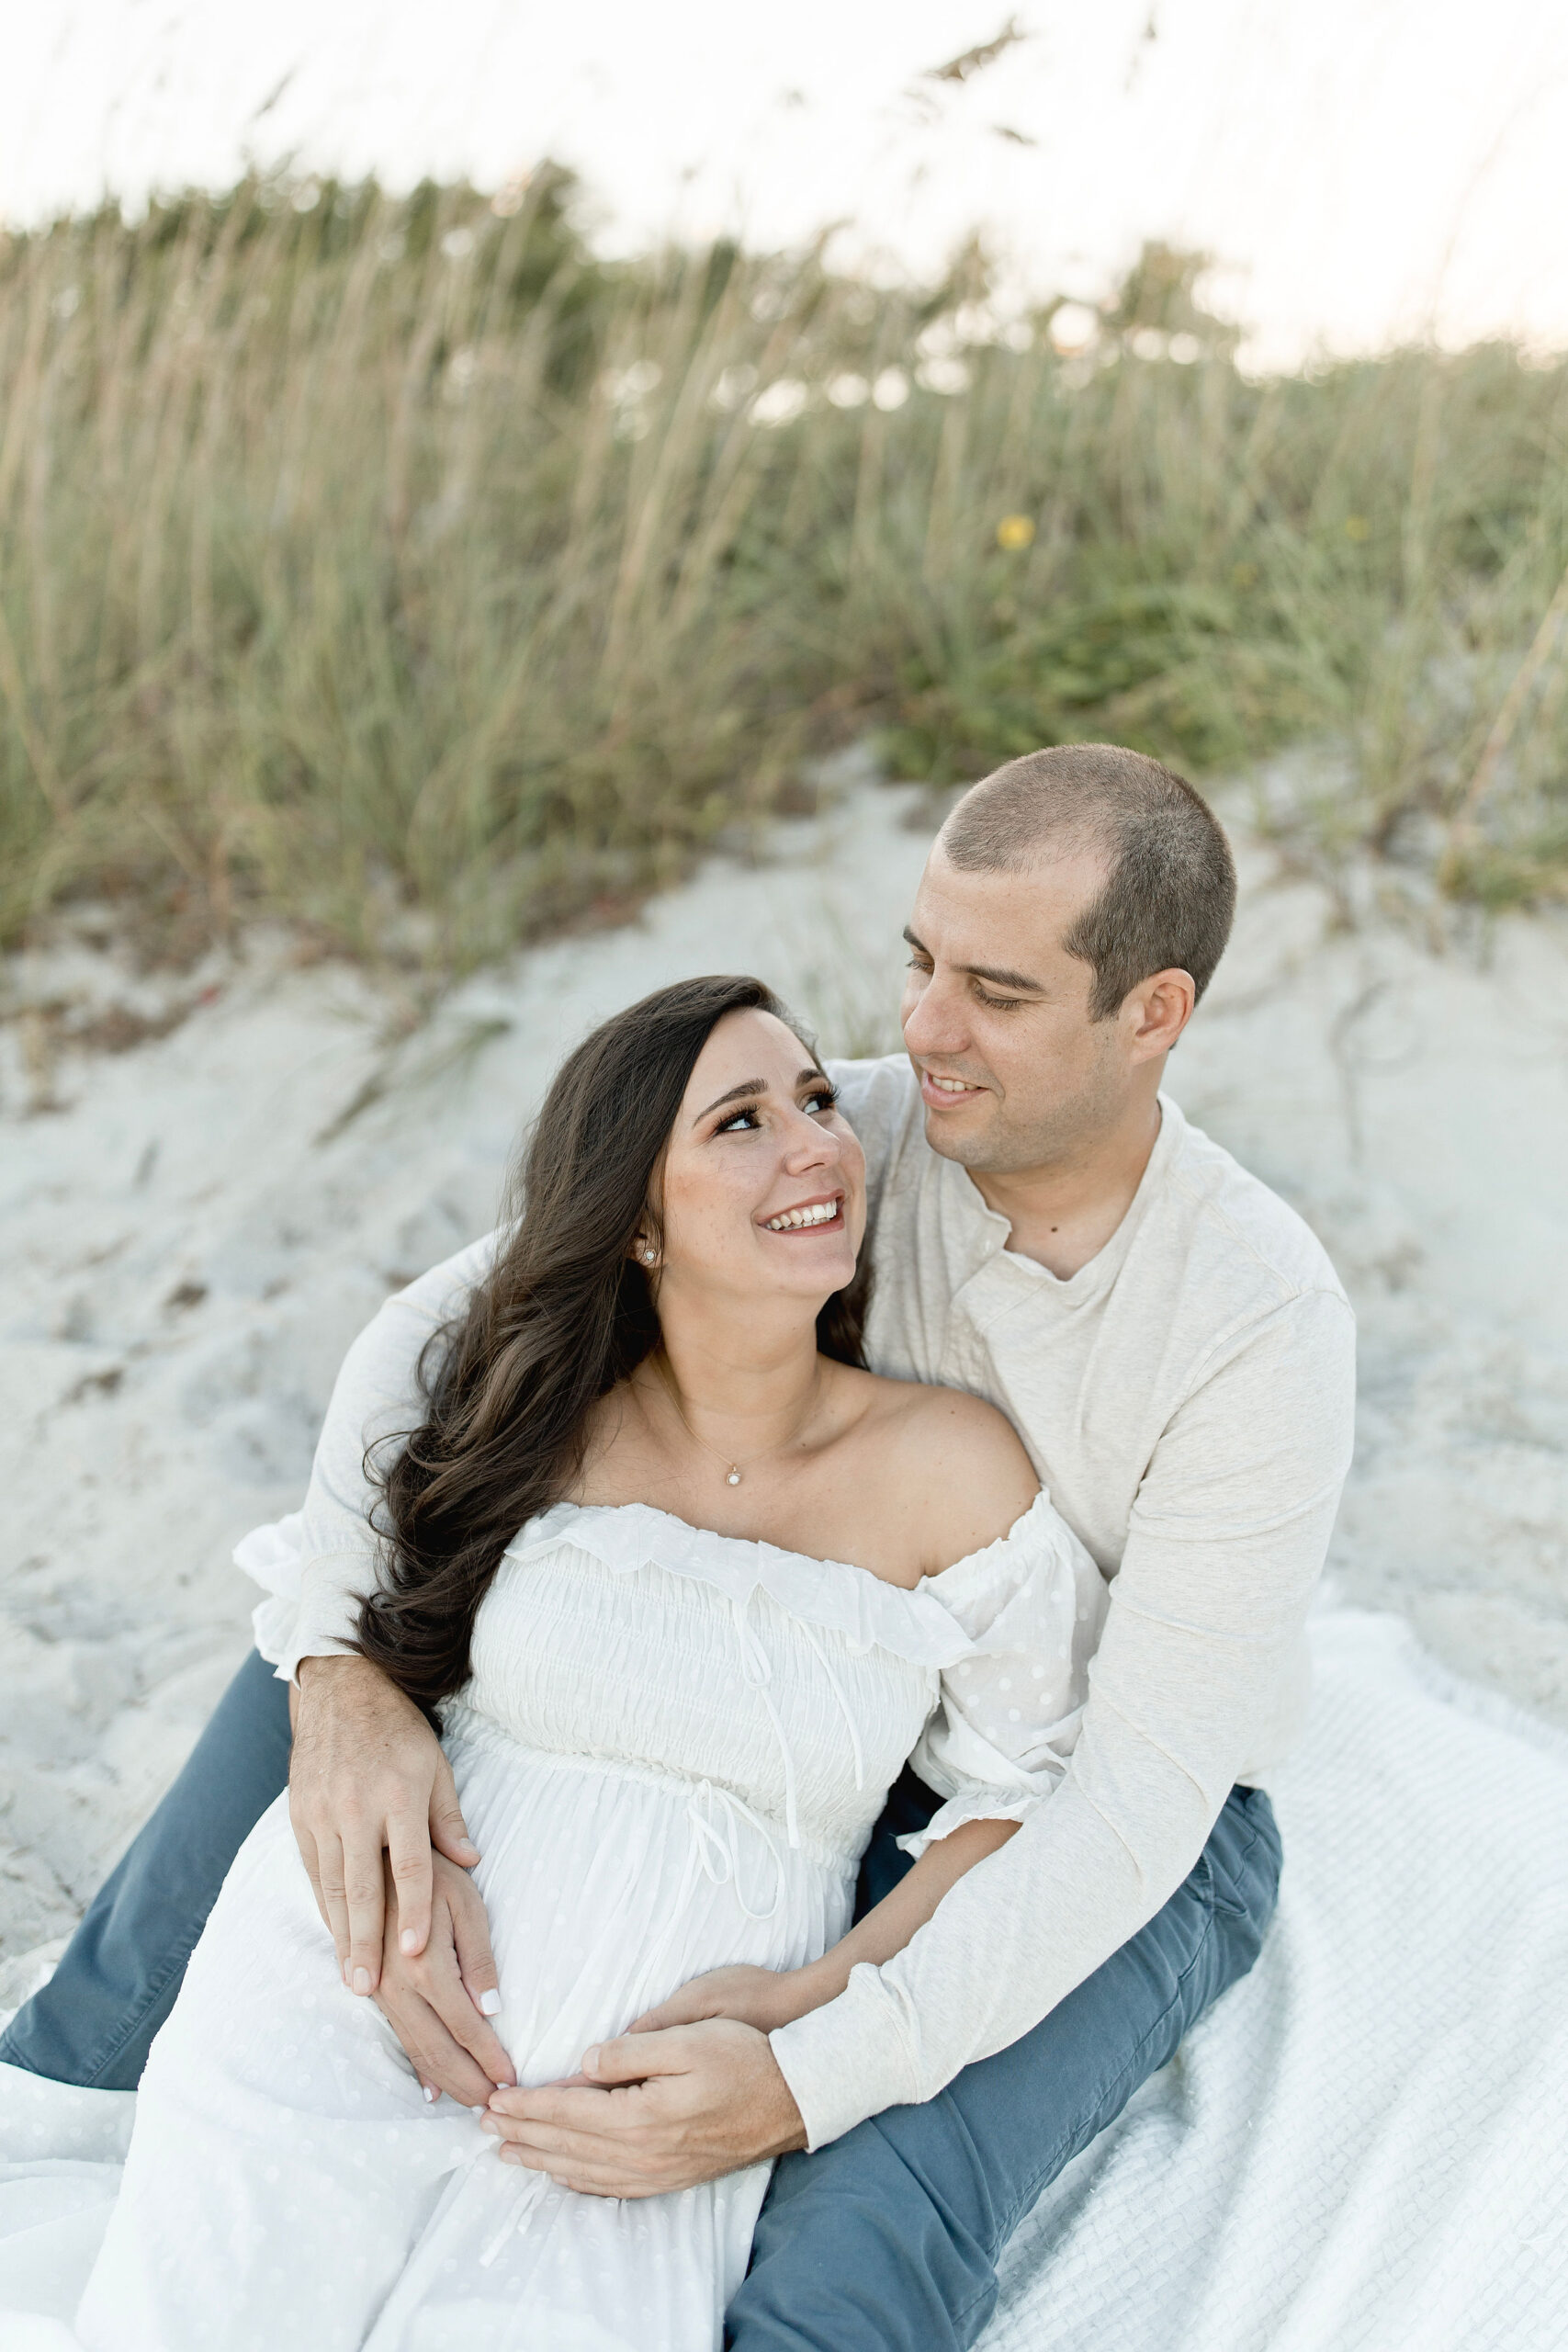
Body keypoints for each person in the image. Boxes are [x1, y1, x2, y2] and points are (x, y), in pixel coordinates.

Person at [2, 744, 1356, 2352]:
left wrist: (807, 2061)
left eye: (996, 992)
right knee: (332, 1651)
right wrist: (342, 1680)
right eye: (919, 962)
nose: (924, 1031)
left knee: (863, 2216)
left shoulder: (1255, 1320)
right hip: (794, 1677)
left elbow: (1126, 1799)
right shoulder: (866, 1127)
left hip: (1108, 1797)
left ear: (1154, 1014)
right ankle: (63, 2086)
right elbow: (435, 1334)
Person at [70, 973, 1104, 2349]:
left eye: (815, 1100)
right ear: (638, 1224)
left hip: (642, 2112)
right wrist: (346, 1691)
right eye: (739, 1122)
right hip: (358, 2001)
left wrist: (819, 2006)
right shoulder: (542, 1421)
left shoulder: (949, 1466)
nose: (815, 1145)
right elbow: (350, 1563)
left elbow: (1024, 1803)